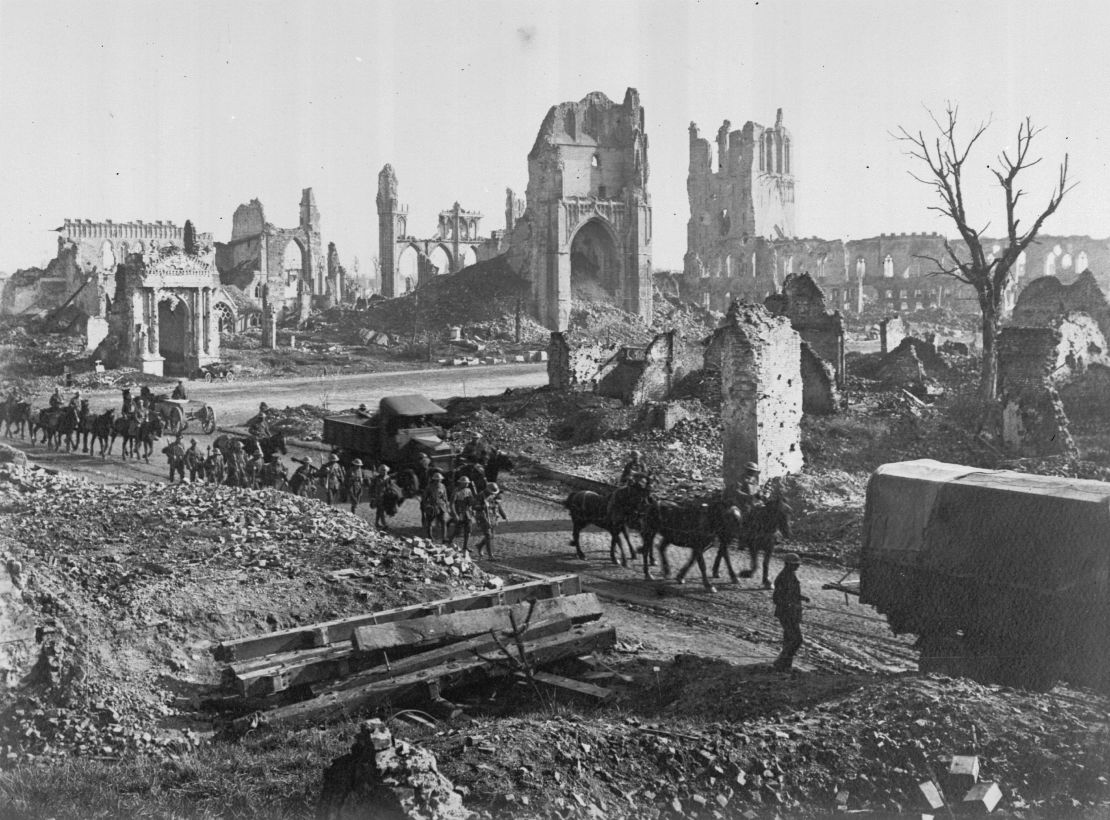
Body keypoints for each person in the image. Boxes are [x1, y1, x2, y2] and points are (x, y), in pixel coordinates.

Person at [771, 552, 809, 672]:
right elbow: (776, 598)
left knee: (789, 638)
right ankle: (780, 662)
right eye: (795, 564)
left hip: (792, 612)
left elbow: (793, 594)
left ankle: (786, 665)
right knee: (796, 639)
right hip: (786, 613)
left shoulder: (790, 575)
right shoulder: (783, 577)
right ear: (788, 565)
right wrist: (788, 603)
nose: (798, 566)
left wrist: (802, 598)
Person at [473, 482, 508, 559]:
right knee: (488, 535)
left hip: (492, 516)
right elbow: (475, 506)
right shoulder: (480, 495)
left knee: (491, 536)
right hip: (483, 517)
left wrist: (504, 515)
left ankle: (480, 546)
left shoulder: (493, 495)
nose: (492, 494)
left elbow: (497, 506)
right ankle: (490, 555)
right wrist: (482, 506)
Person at [447, 475, 477, 556]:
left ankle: (465, 546)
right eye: (465, 483)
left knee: (468, 529)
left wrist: (473, 509)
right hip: (460, 512)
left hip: (468, 512)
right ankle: (450, 542)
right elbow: (452, 504)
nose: (467, 484)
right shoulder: (456, 491)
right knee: (457, 529)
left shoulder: (469, 490)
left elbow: (471, 501)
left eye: (467, 483)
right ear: (461, 483)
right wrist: (455, 514)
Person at [421, 470, 450, 542]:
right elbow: (424, 497)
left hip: (441, 506)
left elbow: (445, 496)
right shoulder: (429, 487)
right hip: (432, 507)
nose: (438, 481)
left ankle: (444, 537)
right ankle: (430, 537)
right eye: (436, 480)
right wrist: (426, 506)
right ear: (434, 480)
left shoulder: (443, 486)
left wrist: (447, 505)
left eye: (439, 480)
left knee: (443, 521)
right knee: (429, 522)